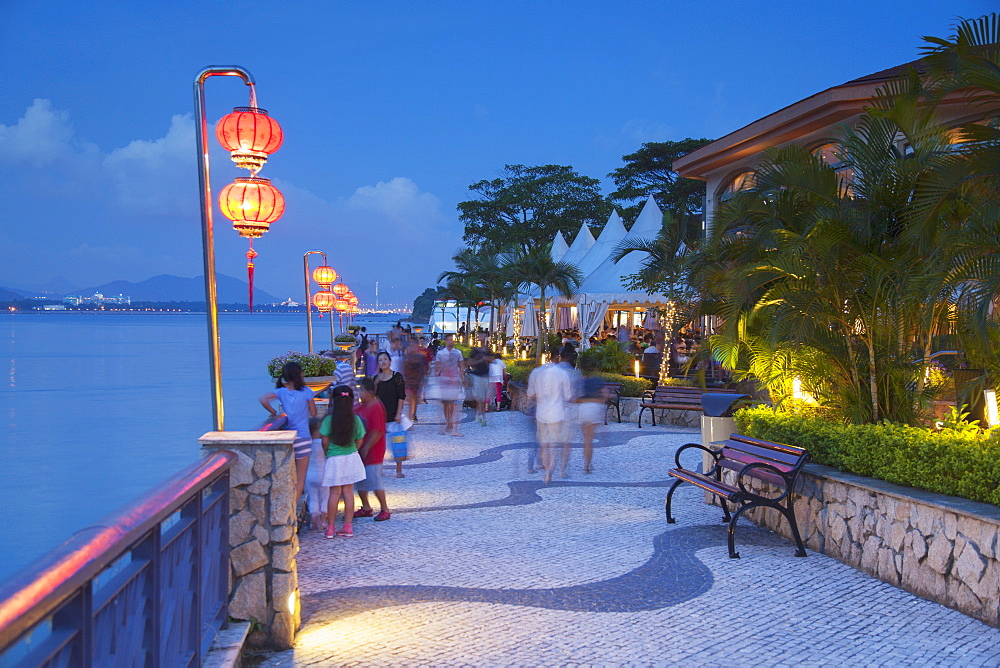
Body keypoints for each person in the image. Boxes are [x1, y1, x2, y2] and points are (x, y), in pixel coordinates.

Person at [260, 362, 316, 512]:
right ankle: (291, 510)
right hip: (303, 437)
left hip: (288, 438)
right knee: (300, 478)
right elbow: (314, 413)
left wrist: (273, 412)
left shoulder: (281, 392)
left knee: (289, 476)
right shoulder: (306, 392)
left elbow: (263, 399)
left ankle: (285, 508)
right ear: (299, 375)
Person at [320, 385, 367, 538]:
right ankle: (348, 527)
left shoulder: (328, 420)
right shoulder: (355, 420)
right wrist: (354, 449)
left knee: (334, 493)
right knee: (348, 492)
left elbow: (324, 441)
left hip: (334, 458)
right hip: (351, 457)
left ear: (334, 401)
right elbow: (360, 439)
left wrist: (328, 453)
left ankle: (330, 528)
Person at [526, 347, 572, 482]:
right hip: (557, 413)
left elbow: (530, 394)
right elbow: (568, 396)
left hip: (541, 413)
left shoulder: (537, 372)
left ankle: (547, 471)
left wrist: (540, 397)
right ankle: (551, 472)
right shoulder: (562, 373)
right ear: (558, 358)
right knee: (554, 447)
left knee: (544, 444)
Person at [354, 378, 392, 521]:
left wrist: (367, 448)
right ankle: (366, 507)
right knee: (361, 481)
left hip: (373, 451)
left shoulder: (376, 406)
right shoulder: (361, 406)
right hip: (360, 450)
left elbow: (377, 431)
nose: (359, 393)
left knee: (375, 480)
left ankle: (385, 508)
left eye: (362, 391)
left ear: (370, 393)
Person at [577, 359, 610, 474]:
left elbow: (575, 396)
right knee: (589, 439)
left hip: (583, 408)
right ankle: (587, 465)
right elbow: (606, 395)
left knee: (586, 440)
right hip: (594, 408)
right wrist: (599, 400)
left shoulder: (580, 381)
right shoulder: (598, 380)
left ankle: (586, 464)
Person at [433, 334, 466, 436]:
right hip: (443, 380)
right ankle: (447, 420)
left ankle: (450, 421)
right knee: (445, 402)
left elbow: (462, 365)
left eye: (452, 340)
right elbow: (437, 366)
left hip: (454, 380)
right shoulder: (440, 353)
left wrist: (462, 377)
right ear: (446, 341)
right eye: (448, 340)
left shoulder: (458, 353)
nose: (450, 341)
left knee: (452, 402)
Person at [304, 417, 328, 530]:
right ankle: (323, 521)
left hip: (309, 475)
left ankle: (313, 520)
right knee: (325, 497)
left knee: (313, 498)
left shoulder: (306, 444)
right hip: (323, 475)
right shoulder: (323, 443)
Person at [402, 337, 430, 422]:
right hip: (408, 379)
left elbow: (423, 368)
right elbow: (403, 368)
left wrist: (423, 378)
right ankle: (410, 415)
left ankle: (413, 414)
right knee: (409, 398)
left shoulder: (420, 357)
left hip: (417, 380)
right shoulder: (406, 356)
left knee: (415, 398)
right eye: (411, 345)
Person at [467, 347, 492, 422]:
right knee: (480, 399)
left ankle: (478, 415)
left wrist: (488, 359)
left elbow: (493, 360)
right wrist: (481, 360)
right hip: (478, 377)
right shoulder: (475, 351)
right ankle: (483, 417)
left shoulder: (488, 350)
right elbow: (470, 363)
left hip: (487, 376)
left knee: (483, 399)